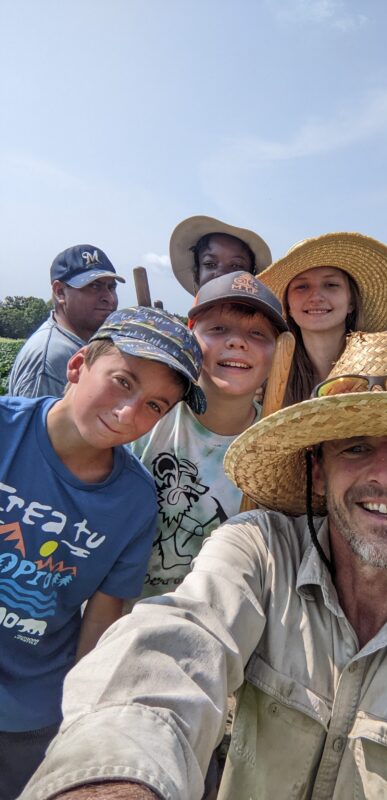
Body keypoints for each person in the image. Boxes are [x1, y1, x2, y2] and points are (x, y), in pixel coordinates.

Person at [23, 331, 387, 800]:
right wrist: (113, 779)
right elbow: (169, 651)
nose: (384, 473)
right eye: (354, 447)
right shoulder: (260, 552)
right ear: (318, 473)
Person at [0, 306, 205, 800]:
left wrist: (80, 718)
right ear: (77, 367)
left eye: (155, 406)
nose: (128, 413)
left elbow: (104, 612)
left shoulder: (133, 501)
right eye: (122, 382)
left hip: (33, 714)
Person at [129, 271, 287, 602]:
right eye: (218, 329)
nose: (237, 342)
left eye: (258, 334)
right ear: (191, 337)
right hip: (127, 623)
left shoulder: (281, 453)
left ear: (278, 355)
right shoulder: (145, 422)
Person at [259, 231, 387, 405]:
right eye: (302, 286)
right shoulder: (267, 376)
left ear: (351, 302)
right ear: (288, 307)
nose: (316, 297)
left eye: (331, 285)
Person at [8, 244, 125, 398]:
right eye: (94, 286)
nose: (109, 298)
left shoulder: (82, 344)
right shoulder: (52, 358)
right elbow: (38, 422)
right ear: (60, 292)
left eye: (111, 287)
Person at [169, 215, 272, 295]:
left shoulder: (262, 321)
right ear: (197, 275)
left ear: (252, 277)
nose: (221, 274)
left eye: (236, 266)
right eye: (210, 264)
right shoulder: (188, 322)